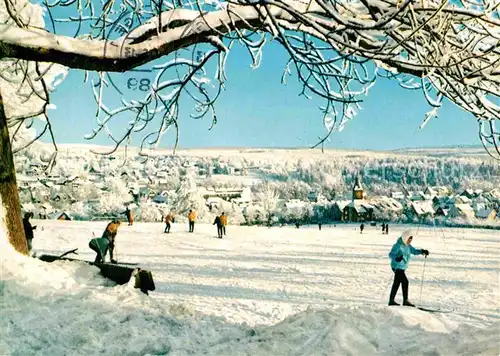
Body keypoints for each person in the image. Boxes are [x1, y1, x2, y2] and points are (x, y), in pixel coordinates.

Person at [388, 229, 429, 306]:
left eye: (411, 239)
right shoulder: (398, 245)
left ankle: (392, 300)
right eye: (409, 239)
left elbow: (414, 251)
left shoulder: (408, 246)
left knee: (397, 282)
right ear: (405, 237)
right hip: (396, 266)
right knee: (405, 281)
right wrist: (396, 258)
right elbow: (390, 254)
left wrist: (422, 251)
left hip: (402, 267)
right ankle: (405, 300)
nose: (410, 241)